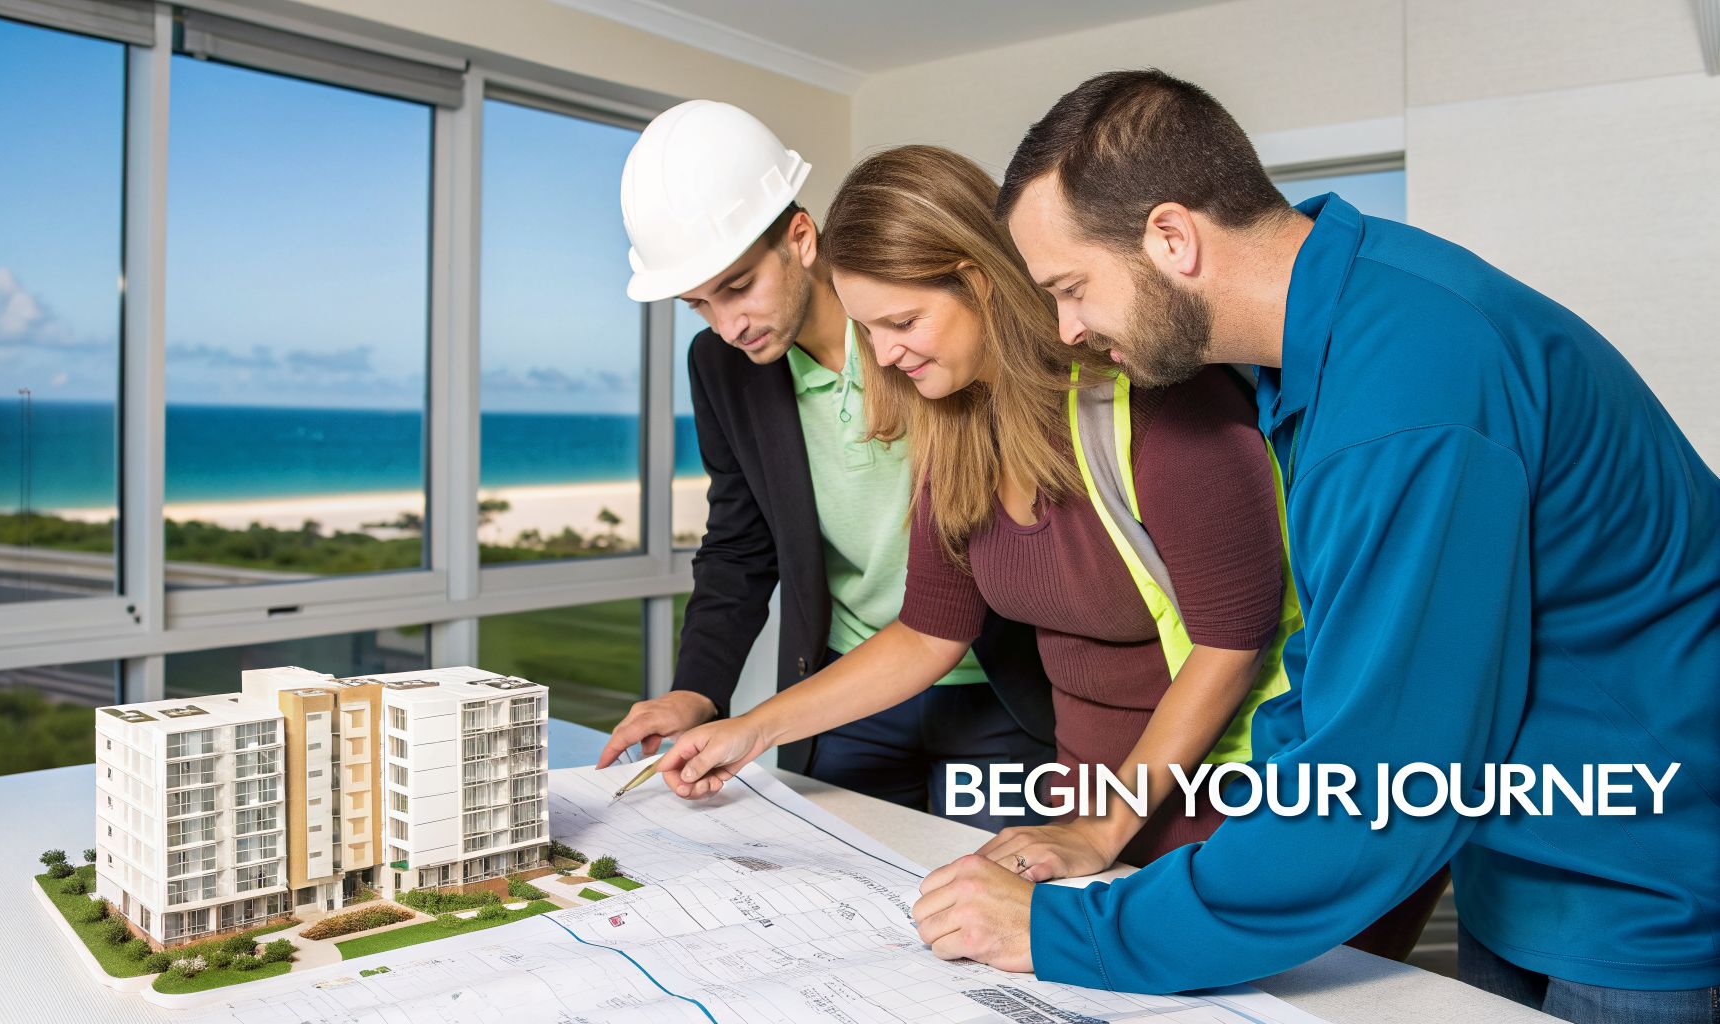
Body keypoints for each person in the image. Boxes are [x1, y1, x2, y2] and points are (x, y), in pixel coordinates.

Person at [913, 69, 1720, 1023]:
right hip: (1515, 861)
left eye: (1072, 288)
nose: (1067, 330)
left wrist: (1069, 931)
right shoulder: (1332, 343)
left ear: (1172, 238)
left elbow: (1383, 777)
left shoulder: (1408, 387)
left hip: (1640, 887)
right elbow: (1333, 674)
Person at [651, 144, 1295, 876]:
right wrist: (750, 730)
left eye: (902, 322)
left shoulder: (1162, 405)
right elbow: (929, 631)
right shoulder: (955, 428)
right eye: (869, 330)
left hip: (1223, 805)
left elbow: (1230, 644)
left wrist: (1101, 829)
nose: (882, 357)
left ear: (978, 283)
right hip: (1089, 799)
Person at [599, 101, 1055, 829]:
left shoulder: (928, 336)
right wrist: (697, 691)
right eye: (699, 304)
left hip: (1001, 687)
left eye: (739, 286)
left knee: (990, 889)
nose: (728, 325)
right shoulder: (720, 366)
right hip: (843, 691)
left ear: (801, 239)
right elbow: (738, 546)